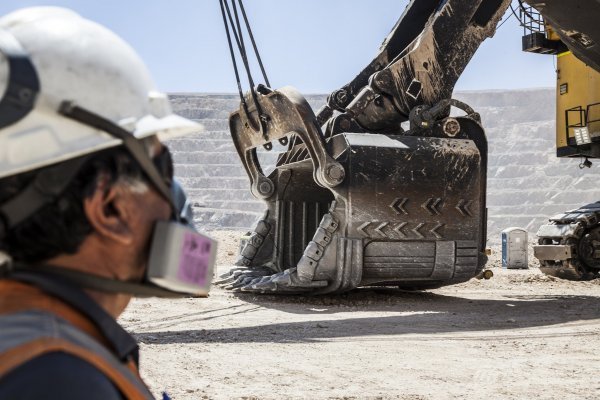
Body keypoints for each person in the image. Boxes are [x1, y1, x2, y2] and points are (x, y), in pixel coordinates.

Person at [0, 7, 215, 399]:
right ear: (110, 206)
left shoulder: (29, 339)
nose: (173, 194)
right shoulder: (57, 376)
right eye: (162, 169)